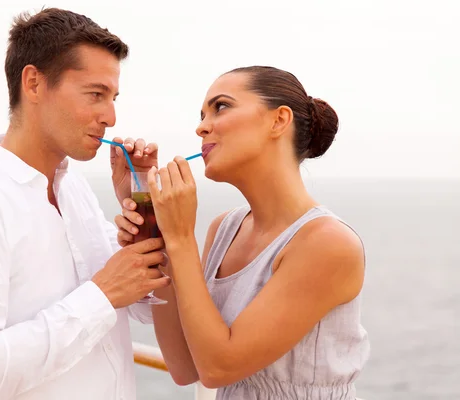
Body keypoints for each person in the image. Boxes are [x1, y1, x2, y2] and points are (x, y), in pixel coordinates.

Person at [0, 8, 170, 400]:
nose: (112, 117)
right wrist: (100, 296)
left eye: (113, 97)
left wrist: (144, 204)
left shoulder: (75, 191)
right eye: (95, 94)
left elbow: (144, 307)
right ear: (33, 83)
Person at [116, 66, 370, 399]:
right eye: (202, 114)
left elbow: (219, 368)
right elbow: (185, 366)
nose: (201, 126)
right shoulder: (224, 229)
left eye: (220, 107)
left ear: (279, 121)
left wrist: (180, 238)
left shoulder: (327, 243)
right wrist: (154, 228)